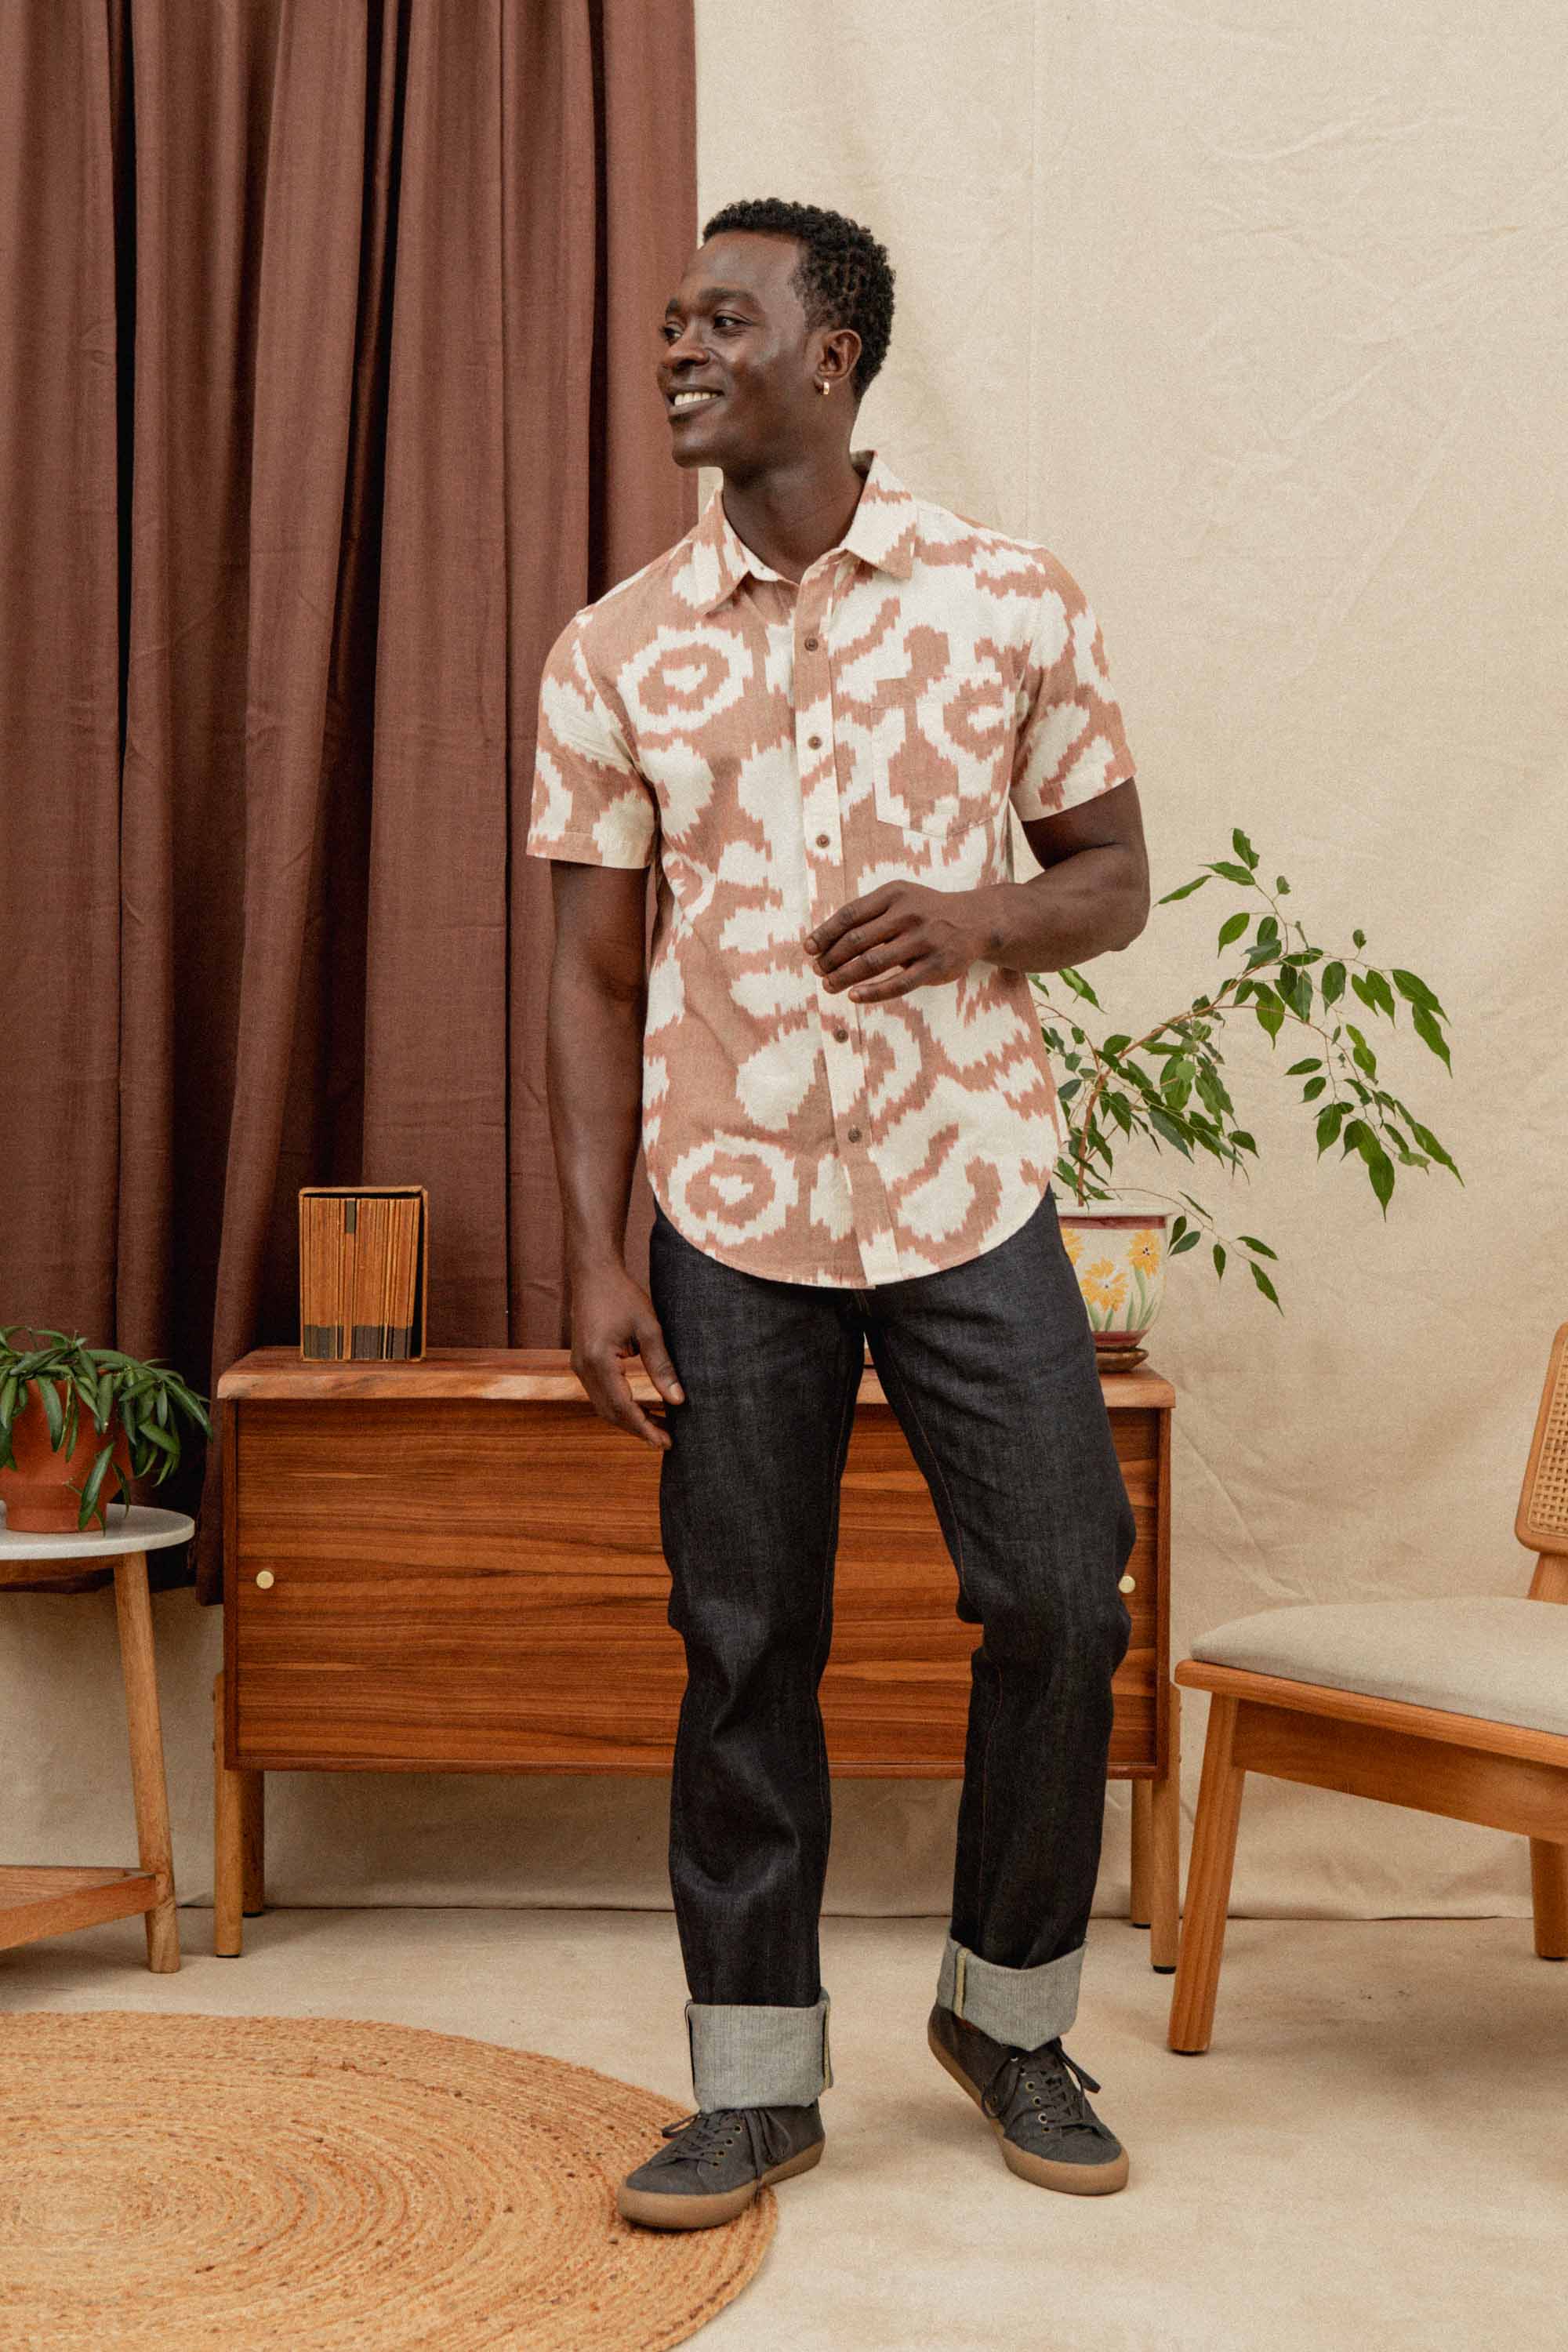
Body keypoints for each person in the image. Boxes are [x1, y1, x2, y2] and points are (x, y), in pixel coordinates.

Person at [524, 196, 1150, 2230]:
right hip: (731, 1214)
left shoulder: (1008, 600)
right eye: (671, 324)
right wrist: (601, 1248)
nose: (681, 349)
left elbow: (1111, 880)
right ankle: (756, 2085)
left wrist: (977, 914)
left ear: (836, 353)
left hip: (972, 1187)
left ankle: (1010, 2017)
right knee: (742, 1637)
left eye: (726, 318)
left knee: (1063, 1592)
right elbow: (595, 969)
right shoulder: (614, 645)